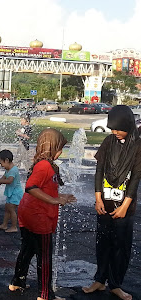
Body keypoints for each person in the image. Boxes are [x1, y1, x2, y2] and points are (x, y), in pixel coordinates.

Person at [9, 128, 76, 300]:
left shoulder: (43, 164)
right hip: (38, 215)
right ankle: (45, 295)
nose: (61, 152)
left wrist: (61, 197)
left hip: (29, 211)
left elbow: (43, 189)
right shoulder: (45, 165)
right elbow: (31, 187)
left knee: (28, 248)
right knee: (45, 255)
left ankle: (18, 281)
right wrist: (55, 201)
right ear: (52, 147)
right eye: (60, 148)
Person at [82, 105, 141, 300]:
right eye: (112, 129)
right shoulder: (108, 142)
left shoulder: (138, 146)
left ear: (129, 125)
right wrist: (98, 198)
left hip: (125, 205)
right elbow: (99, 171)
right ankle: (99, 280)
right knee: (103, 243)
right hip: (105, 202)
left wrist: (125, 206)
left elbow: (136, 179)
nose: (114, 132)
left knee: (121, 245)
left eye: (118, 129)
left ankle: (116, 284)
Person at [0, 149, 23, 233]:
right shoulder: (8, 170)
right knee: (7, 209)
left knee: (11, 209)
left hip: (15, 193)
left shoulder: (13, 170)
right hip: (11, 193)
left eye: (1, 163)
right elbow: (3, 178)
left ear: (7, 160)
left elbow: (9, 181)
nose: (1, 166)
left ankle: (14, 227)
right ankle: (4, 225)